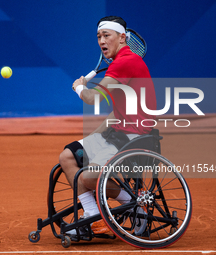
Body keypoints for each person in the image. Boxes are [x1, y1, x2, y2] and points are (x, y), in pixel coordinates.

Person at [59, 16, 157, 235]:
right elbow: (117, 112)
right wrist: (90, 139)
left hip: (135, 135)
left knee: (89, 177)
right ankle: (94, 215)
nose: (101, 41)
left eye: (106, 35)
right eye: (98, 36)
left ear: (122, 38)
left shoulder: (126, 62)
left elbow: (94, 98)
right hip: (117, 132)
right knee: (68, 156)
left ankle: (135, 203)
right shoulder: (120, 62)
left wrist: (79, 88)